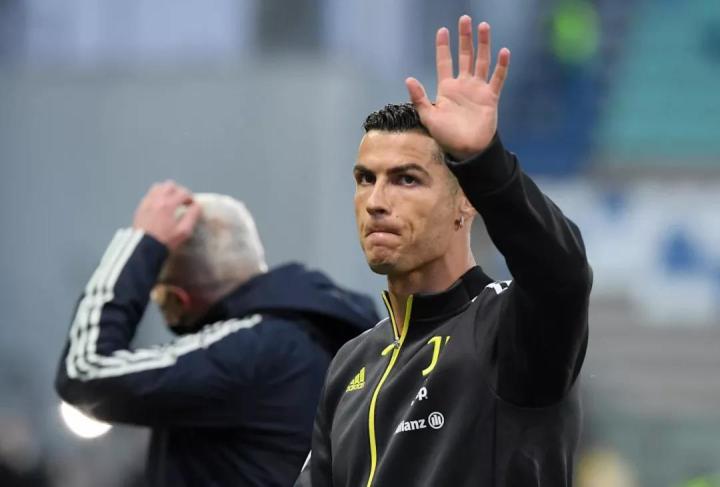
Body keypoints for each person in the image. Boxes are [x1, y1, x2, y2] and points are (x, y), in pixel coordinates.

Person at [295, 15, 592, 487]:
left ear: (466, 201)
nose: (376, 202)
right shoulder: (352, 362)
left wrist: (483, 162)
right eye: (365, 179)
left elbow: (563, 275)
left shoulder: (507, 329)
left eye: (406, 180)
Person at [55, 183, 379, 487]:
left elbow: (86, 370)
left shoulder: (247, 349)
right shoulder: (328, 334)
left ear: (176, 301)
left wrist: (141, 244)